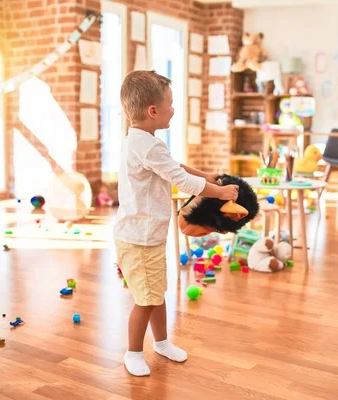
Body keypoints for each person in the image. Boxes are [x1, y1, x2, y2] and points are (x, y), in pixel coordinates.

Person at [114, 70, 238, 376]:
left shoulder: (144, 141)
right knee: (146, 299)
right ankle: (132, 352)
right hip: (139, 238)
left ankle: (162, 342)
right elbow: (180, 179)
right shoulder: (147, 145)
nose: (174, 108)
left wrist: (204, 175)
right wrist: (219, 191)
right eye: (170, 103)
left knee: (156, 293)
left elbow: (174, 166)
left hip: (148, 235)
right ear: (152, 111)